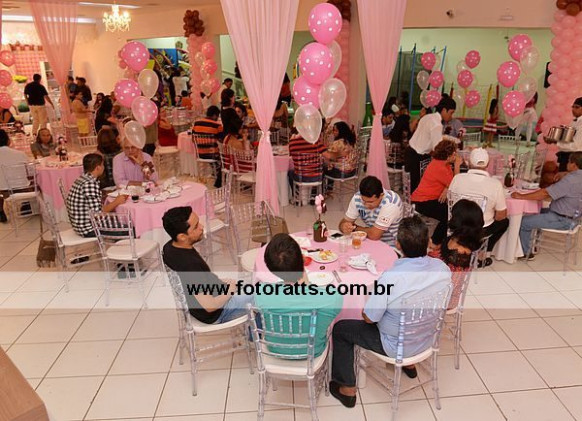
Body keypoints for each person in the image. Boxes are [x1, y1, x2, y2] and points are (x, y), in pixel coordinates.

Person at [329, 216, 452, 408]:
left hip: (396, 345)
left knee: (341, 329)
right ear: (428, 241)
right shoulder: (442, 269)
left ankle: (347, 389)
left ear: (398, 244)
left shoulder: (391, 278)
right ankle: (409, 364)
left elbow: (369, 319)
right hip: (427, 337)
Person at [162, 206, 253, 324]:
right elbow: (210, 306)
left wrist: (217, 282)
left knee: (254, 285)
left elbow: (195, 281)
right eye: (196, 227)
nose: (201, 227)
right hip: (219, 311)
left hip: (209, 297)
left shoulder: (169, 248)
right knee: (267, 294)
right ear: (182, 236)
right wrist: (230, 290)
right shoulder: (190, 266)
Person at [256, 233, 342, 356]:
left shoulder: (261, 292)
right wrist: (306, 283)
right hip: (313, 352)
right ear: (301, 259)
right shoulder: (333, 297)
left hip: (275, 349)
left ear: (270, 268)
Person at [512, 151, 582, 260]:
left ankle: (526, 253)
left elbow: (545, 193)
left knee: (523, 222)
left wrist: (521, 196)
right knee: (535, 211)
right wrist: (565, 173)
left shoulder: (571, 180)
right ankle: (534, 244)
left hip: (562, 219)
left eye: (568, 162)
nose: (566, 164)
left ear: (573, 165)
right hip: (575, 218)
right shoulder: (575, 177)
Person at [448, 148, 509, 267]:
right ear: (487, 164)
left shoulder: (457, 178)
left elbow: (450, 202)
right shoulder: (495, 184)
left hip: (457, 225)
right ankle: (483, 254)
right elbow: (501, 215)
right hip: (481, 229)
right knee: (505, 222)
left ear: (469, 163)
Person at [429, 199, 484, 309]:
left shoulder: (461, 253)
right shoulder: (460, 237)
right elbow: (443, 251)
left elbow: (451, 284)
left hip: (444, 299)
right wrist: (432, 247)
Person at [412, 139, 462, 246]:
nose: (456, 156)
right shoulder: (440, 167)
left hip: (430, 198)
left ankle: (441, 240)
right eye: (454, 153)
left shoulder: (441, 162)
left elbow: (450, 182)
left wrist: (446, 188)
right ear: (448, 156)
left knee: (451, 210)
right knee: (449, 216)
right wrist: (457, 165)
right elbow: (456, 184)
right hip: (423, 202)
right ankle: (434, 242)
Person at [66, 153, 128, 237]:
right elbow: (98, 214)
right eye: (102, 165)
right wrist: (117, 202)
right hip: (89, 229)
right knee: (131, 228)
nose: (103, 167)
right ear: (98, 167)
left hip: (80, 224)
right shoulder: (90, 184)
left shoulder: (82, 178)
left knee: (120, 220)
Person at [405, 97, 456, 192]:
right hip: (418, 157)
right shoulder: (437, 124)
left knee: (410, 185)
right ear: (444, 110)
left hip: (409, 152)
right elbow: (438, 148)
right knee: (416, 188)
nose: (451, 116)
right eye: (451, 113)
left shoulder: (427, 117)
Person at [338, 176, 403, 246]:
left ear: (381, 196)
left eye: (370, 202)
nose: (366, 205)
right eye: (364, 201)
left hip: (392, 244)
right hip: (369, 240)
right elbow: (344, 223)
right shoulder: (357, 198)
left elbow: (374, 235)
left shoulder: (391, 203)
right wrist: (344, 226)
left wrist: (355, 228)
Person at [0, 129, 30, 223]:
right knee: (34, 179)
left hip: (3, 192)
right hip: (23, 188)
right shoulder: (20, 154)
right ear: (8, 141)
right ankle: (27, 203)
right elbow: (30, 171)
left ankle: (1, 211)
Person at [193, 106, 223, 188]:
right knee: (223, 159)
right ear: (214, 115)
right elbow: (221, 140)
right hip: (213, 155)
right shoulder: (217, 125)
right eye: (217, 116)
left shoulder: (197, 123)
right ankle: (218, 180)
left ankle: (213, 172)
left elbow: (193, 139)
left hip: (200, 154)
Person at [556, 97, 582, 172]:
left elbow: (576, 146)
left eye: (577, 107)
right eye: (572, 107)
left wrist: (557, 142)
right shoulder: (574, 121)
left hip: (576, 160)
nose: (573, 109)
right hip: (567, 157)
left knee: (568, 178)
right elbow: (568, 139)